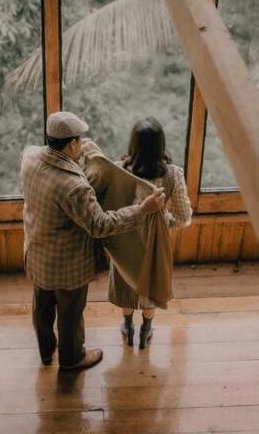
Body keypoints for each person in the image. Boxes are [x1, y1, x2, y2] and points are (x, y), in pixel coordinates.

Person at [20, 111, 166, 371]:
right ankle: (72, 358)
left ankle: (46, 351)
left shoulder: (29, 157)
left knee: (41, 307)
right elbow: (100, 225)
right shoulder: (74, 186)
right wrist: (143, 209)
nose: (83, 142)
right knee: (70, 314)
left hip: (36, 253)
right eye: (80, 139)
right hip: (66, 265)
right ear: (72, 144)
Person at [111, 117, 193, 349]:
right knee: (152, 283)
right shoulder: (172, 174)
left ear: (133, 143)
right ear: (161, 144)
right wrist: (166, 221)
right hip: (156, 240)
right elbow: (184, 216)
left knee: (126, 282)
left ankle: (127, 326)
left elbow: (109, 205)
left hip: (124, 234)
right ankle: (146, 331)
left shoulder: (118, 170)